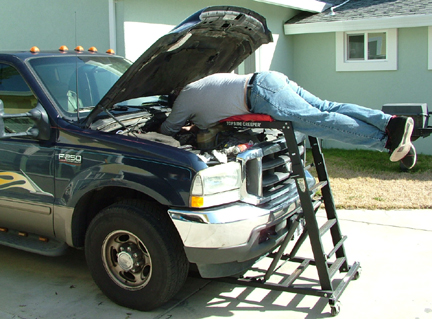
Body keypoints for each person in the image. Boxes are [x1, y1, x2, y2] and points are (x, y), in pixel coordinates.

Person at [159, 71, 416, 168]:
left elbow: (168, 128)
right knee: (327, 107)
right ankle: (390, 122)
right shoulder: (202, 83)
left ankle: (385, 141)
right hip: (270, 79)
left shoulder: (185, 98)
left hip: (261, 95)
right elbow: (215, 107)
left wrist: (172, 125)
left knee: (319, 121)